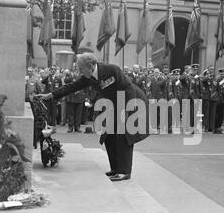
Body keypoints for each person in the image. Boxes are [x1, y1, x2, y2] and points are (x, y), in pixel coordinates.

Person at [36, 53, 149, 182]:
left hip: (132, 101)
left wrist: (127, 110)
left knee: (123, 137)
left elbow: (128, 88)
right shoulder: (87, 77)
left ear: (90, 66)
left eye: (81, 68)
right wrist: (51, 95)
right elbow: (71, 87)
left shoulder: (111, 70)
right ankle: (116, 169)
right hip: (116, 105)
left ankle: (124, 172)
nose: (79, 71)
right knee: (109, 136)